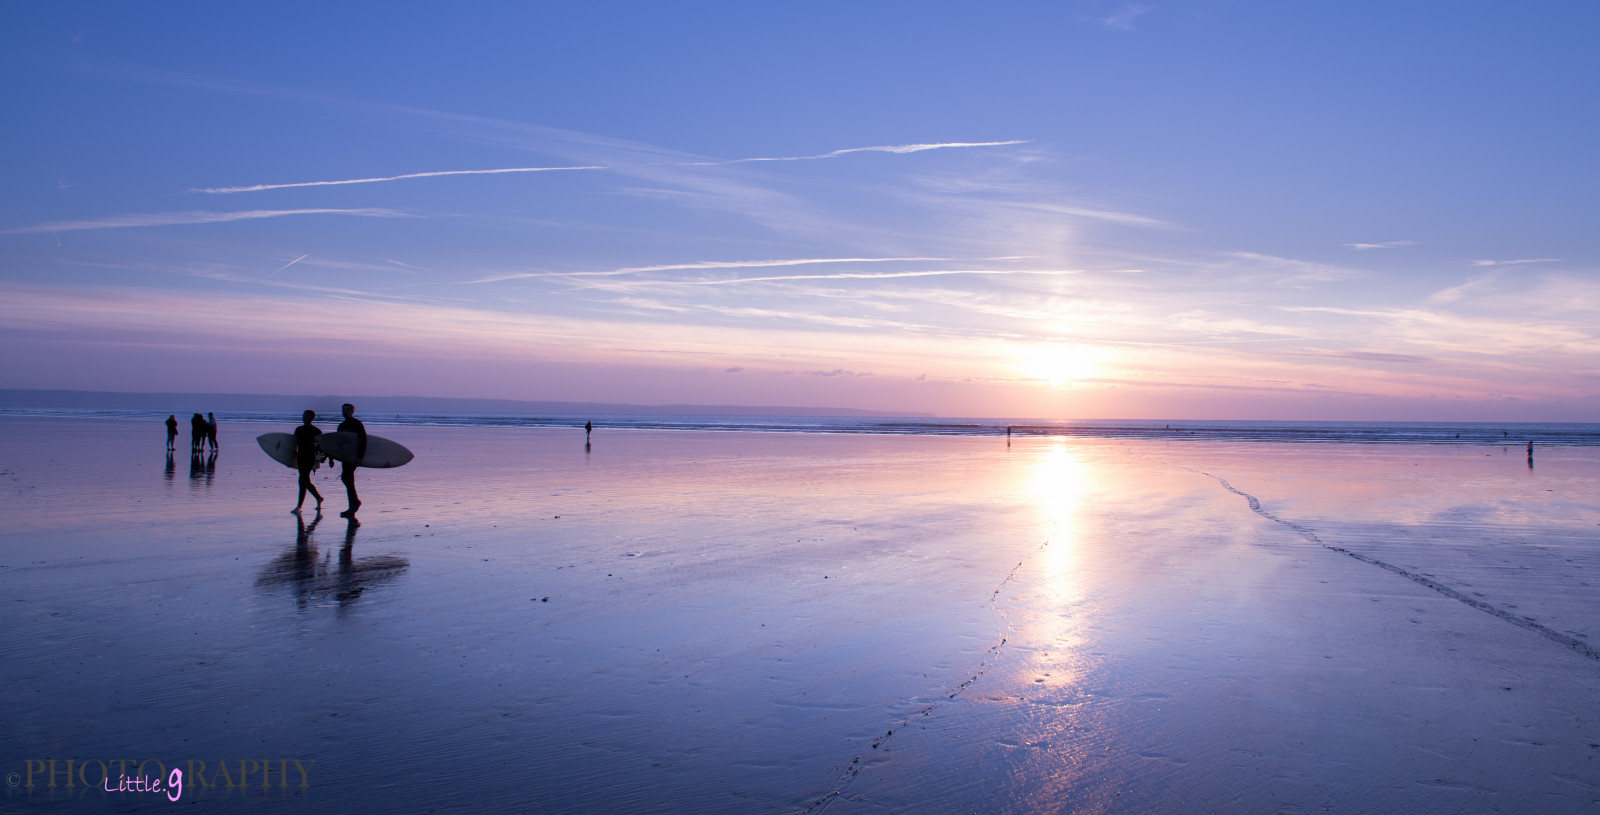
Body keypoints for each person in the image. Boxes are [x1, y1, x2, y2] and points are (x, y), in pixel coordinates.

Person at [292, 410, 325, 514]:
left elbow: (321, 446)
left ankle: (299, 506)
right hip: (300, 456)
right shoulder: (298, 429)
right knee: (306, 481)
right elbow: (294, 444)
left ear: (312, 418)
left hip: (310, 457)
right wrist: (291, 458)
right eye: (304, 416)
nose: (304, 418)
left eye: (307, 416)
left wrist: (323, 457)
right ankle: (318, 498)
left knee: (302, 480)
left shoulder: (316, 431)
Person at [337, 403, 366, 518]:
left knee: (345, 477)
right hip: (345, 456)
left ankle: (355, 502)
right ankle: (352, 507)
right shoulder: (341, 425)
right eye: (343, 410)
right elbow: (338, 443)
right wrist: (333, 457)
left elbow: (363, 440)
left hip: (354, 456)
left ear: (352, 411)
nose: (344, 412)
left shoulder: (357, 424)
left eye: (347, 410)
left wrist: (360, 457)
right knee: (350, 480)